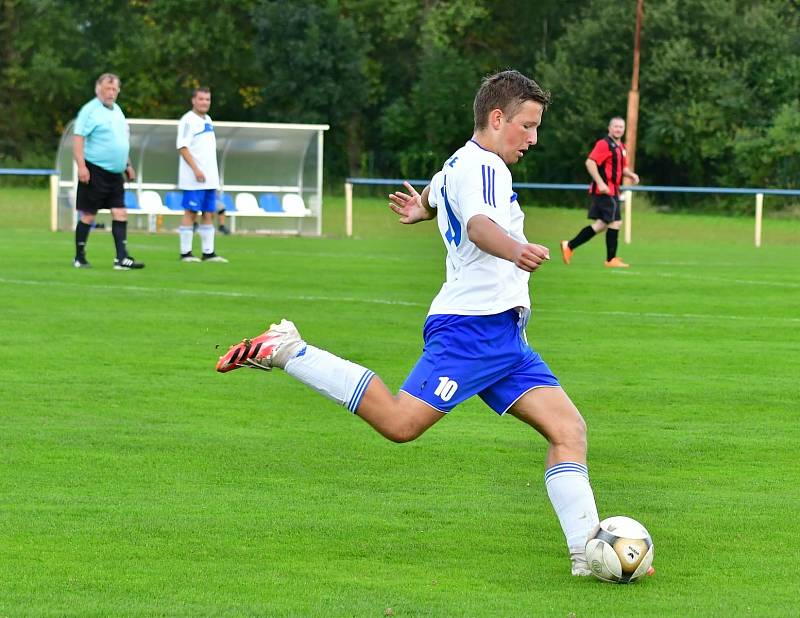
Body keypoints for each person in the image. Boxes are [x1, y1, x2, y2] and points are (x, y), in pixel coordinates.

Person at [215, 70, 600, 576]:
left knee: (568, 429)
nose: (534, 138)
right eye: (527, 126)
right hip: (471, 329)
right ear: (497, 117)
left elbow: (439, 193)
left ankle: (589, 555)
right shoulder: (486, 167)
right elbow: (483, 226)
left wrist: (422, 207)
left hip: (503, 336)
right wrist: (517, 249)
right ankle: (288, 349)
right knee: (400, 423)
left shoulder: (458, 164)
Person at [73, 73, 144, 270]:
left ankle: (121, 258)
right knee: (88, 215)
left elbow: (120, 142)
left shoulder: (118, 111)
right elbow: (78, 138)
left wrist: (127, 165)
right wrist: (81, 166)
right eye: (107, 89)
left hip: (116, 174)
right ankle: (79, 257)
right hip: (95, 170)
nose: (111, 93)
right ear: (98, 90)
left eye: (114, 89)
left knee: (120, 212)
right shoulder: (90, 110)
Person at [560, 117, 639, 268]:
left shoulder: (621, 147)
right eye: (615, 126)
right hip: (604, 191)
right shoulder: (604, 144)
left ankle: (569, 245)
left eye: (621, 127)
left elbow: (622, 168)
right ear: (609, 128)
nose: (618, 129)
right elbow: (590, 162)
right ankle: (611, 259)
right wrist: (601, 183)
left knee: (601, 225)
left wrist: (631, 175)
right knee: (615, 221)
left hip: (613, 190)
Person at [176, 87, 227, 262]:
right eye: (201, 99)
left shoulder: (208, 120)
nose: (204, 102)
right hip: (193, 178)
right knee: (191, 212)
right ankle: (186, 253)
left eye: (207, 99)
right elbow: (183, 147)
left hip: (209, 179)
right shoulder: (188, 120)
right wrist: (196, 169)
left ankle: (208, 252)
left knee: (208, 213)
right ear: (193, 100)